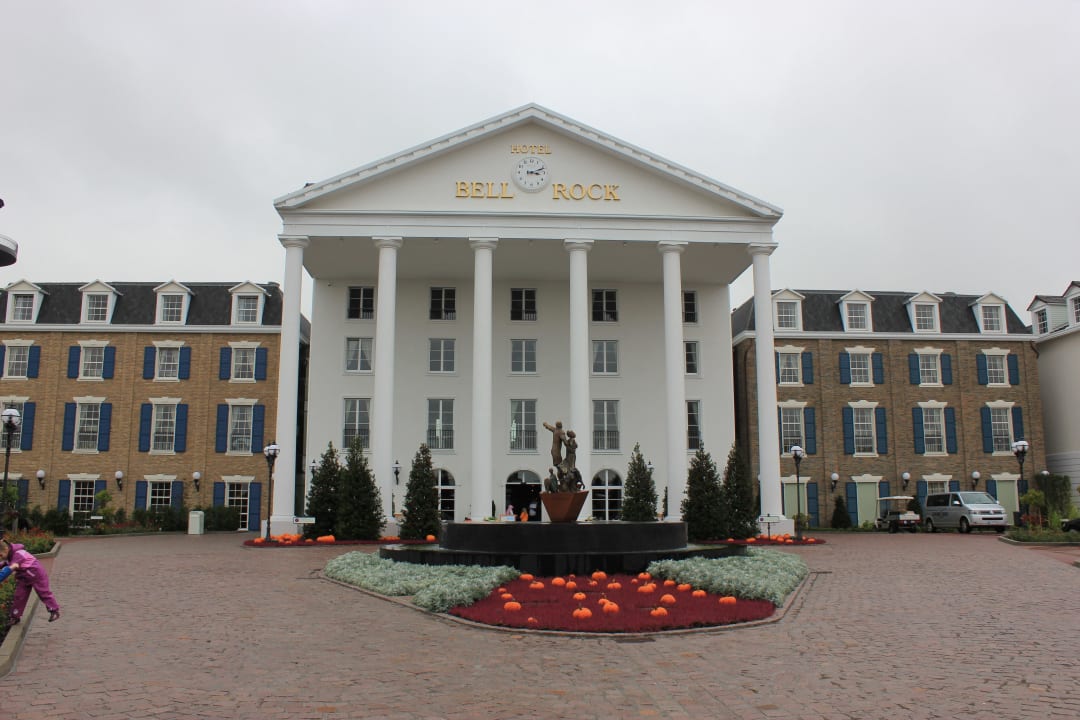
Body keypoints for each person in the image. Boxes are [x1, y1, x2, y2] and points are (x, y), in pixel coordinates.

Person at [0, 536, 60, 624]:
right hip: (24, 577)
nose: (0, 558)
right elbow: (5, 563)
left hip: (36, 574)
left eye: (0, 555)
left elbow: (13, 566)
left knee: (43, 592)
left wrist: (3, 573)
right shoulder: (9, 556)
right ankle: (15, 616)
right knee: (19, 595)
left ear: (6, 549)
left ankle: (54, 610)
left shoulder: (18, 554)